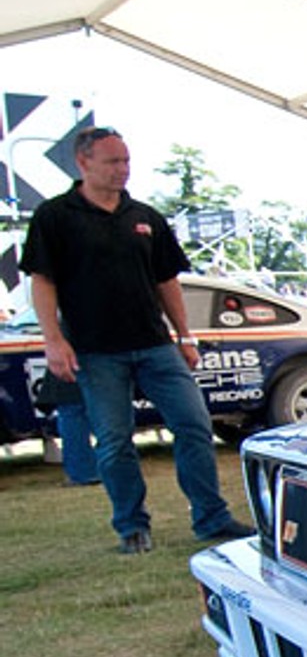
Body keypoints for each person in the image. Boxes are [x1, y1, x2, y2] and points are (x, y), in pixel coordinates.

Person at [19, 125, 252, 553]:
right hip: (94, 350)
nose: (122, 170)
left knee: (195, 426)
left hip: (155, 344)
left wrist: (185, 336)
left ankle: (212, 518)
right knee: (114, 440)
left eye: (126, 161)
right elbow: (43, 281)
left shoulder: (145, 217)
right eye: (112, 162)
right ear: (83, 162)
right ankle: (131, 527)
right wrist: (54, 340)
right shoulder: (55, 216)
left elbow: (168, 281)